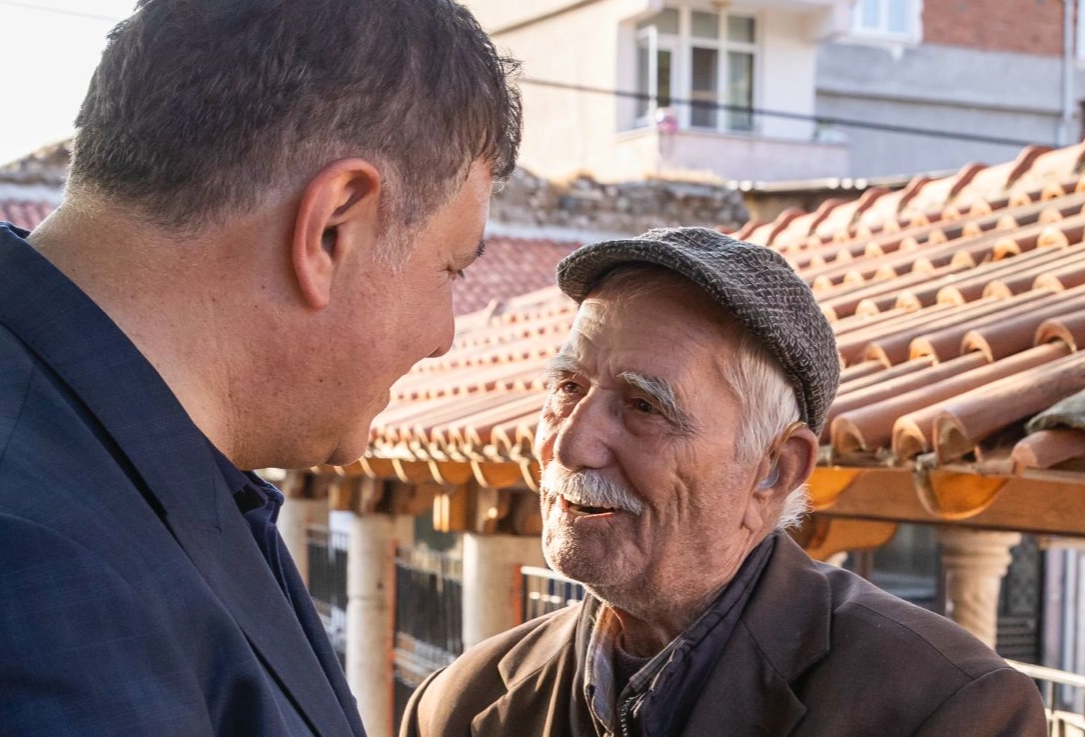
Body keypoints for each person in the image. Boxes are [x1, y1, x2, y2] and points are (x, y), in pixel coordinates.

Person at [0, 0, 520, 735]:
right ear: (331, 229)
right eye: (450, 269)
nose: (445, 331)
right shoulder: (8, 556)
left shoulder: (79, 433)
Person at [401, 227, 1047, 737]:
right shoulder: (467, 703)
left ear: (774, 469)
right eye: (567, 388)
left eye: (643, 405)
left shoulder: (945, 709)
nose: (568, 442)